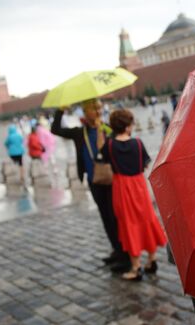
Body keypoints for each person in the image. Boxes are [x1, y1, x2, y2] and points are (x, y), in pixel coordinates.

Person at [51, 99, 131, 272]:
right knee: (105, 217)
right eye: (93, 109)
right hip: (94, 181)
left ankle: (126, 256)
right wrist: (60, 110)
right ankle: (116, 251)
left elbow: (125, 146)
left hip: (112, 179)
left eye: (99, 108)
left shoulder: (109, 130)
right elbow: (55, 129)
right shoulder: (81, 133)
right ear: (85, 113)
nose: (98, 111)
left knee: (115, 217)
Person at [101, 109, 167, 281]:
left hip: (122, 188)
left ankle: (136, 267)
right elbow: (145, 164)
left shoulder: (109, 146)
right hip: (139, 186)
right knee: (146, 220)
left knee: (128, 224)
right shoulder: (138, 143)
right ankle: (152, 261)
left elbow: (101, 157)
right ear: (129, 126)